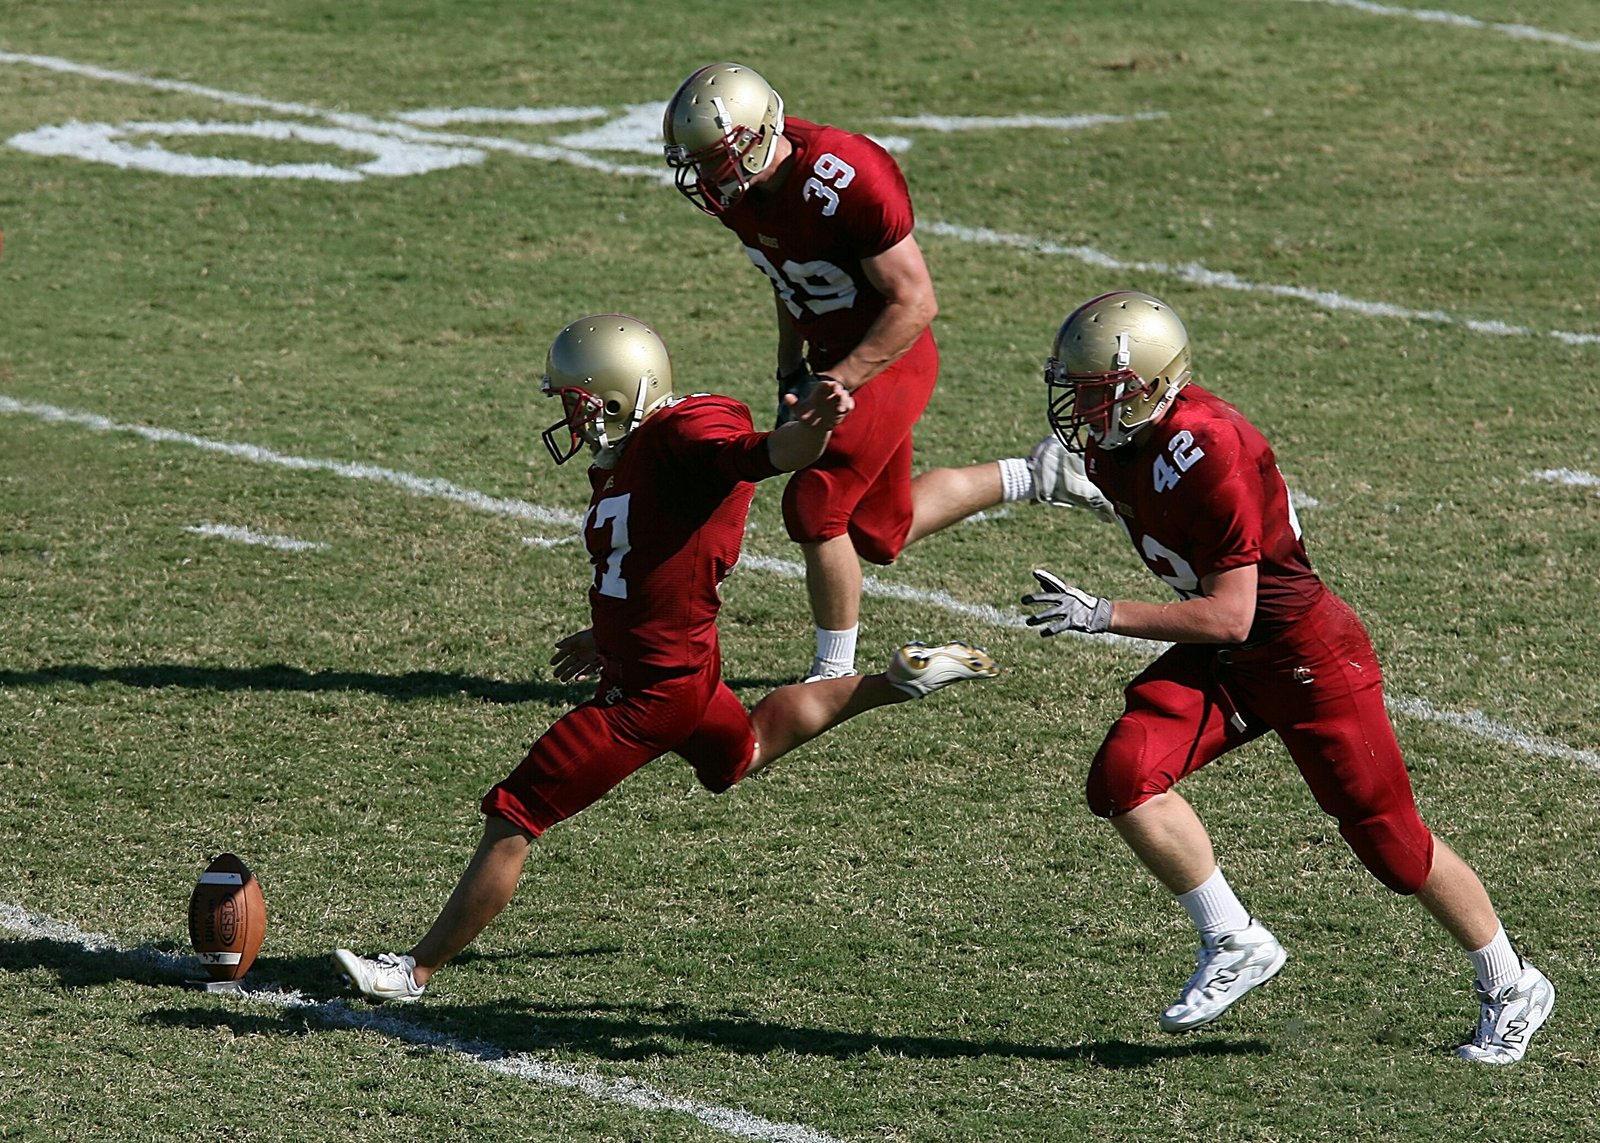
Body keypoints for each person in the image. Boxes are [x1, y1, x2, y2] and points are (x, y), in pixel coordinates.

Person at [332, 314, 998, 1002]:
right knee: (743, 752)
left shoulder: (684, 433)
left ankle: (411, 971)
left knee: (517, 811)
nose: (570, 414)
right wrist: (610, 631)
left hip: (647, 697)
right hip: (684, 669)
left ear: (623, 393)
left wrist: (813, 429)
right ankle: (897, 681)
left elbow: (766, 453)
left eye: (578, 400)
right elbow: (657, 553)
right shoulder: (637, 452)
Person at [1019, 290, 1553, 1064]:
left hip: (1300, 651)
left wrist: (1104, 613)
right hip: (1235, 658)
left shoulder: (1213, 448)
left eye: (1099, 390)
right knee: (1125, 774)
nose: (1082, 406)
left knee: (1391, 843)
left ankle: (1513, 982)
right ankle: (1233, 938)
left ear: (1148, 385)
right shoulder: (1114, 444)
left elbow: (1231, 613)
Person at [662, 62, 1074, 682]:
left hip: (891, 354)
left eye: (714, 158)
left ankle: (833, 673)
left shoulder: (846, 174)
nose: (705, 176)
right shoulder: (742, 192)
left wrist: (842, 379)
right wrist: (789, 368)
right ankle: (1043, 472)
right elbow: (787, 276)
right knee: (881, 532)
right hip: (831, 356)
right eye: (695, 161)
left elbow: (915, 301)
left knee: (814, 505)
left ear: (754, 137)